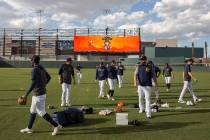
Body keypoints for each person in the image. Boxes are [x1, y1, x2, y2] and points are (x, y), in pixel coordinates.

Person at [20, 55, 61, 136]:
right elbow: (49, 77)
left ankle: (56, 126)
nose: (30, 62)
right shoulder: (41, 68)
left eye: (30, 60)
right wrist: (43, 85)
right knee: (32, 111)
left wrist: (25, 95)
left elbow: (33, 83)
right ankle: (29, 128)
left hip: (38, 94)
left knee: (41, 112)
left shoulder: (35, 70)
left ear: (33, 61)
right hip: (40, 93)